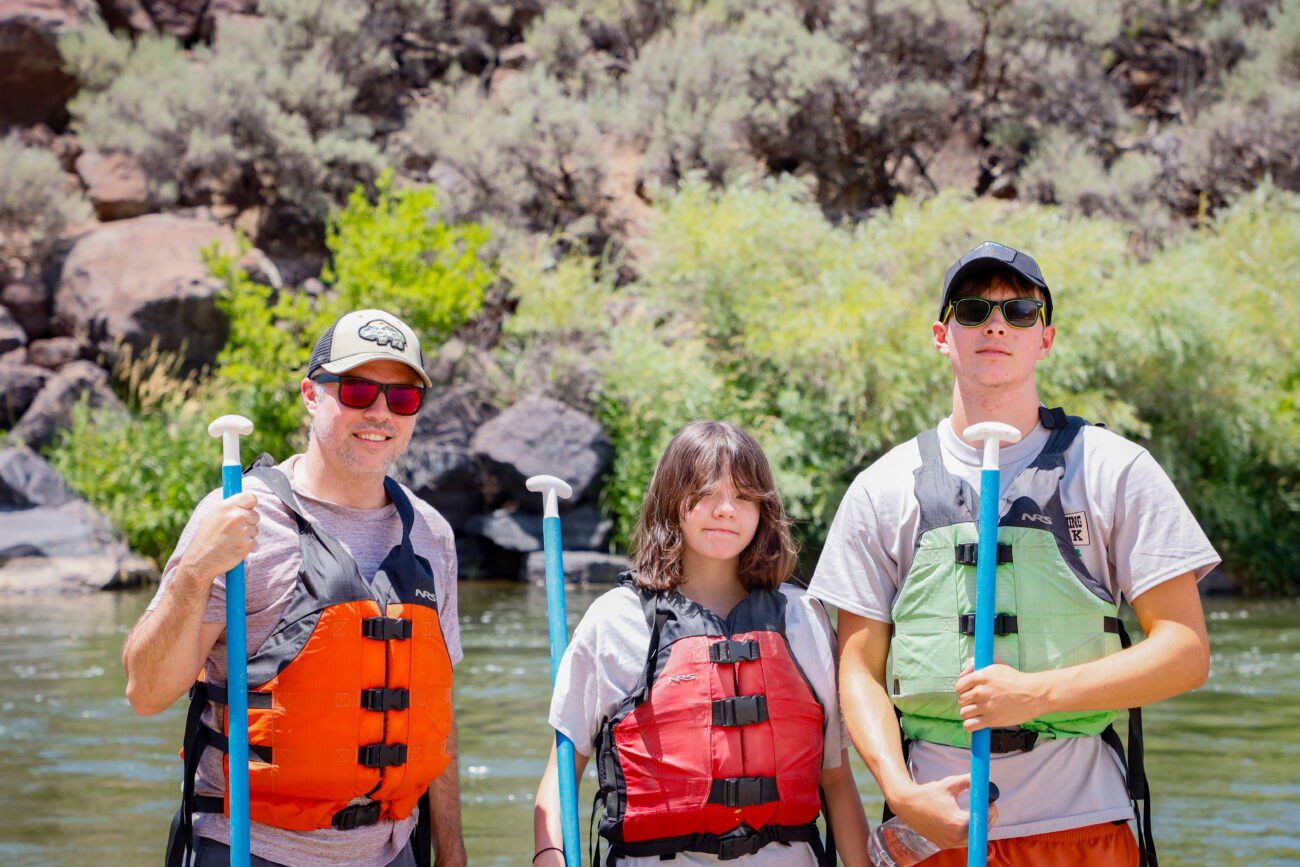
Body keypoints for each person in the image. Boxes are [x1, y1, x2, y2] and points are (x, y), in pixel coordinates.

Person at [809, 241, 1217, 866]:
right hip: (935, 831)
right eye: (973, 311)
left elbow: (1185, 654)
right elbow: (858, 669)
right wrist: (900, 792)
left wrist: (1038, 695)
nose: (996, 324)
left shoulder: (1115, 471)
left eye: (1019, 311)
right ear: (943, 336)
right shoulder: (882, 489)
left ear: (1045, 339)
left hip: (1084, 828)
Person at [123, 309, 468, 867]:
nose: (380, 412)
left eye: (402, 398)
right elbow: (146, 692)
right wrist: (193, 574)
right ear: (312, 394)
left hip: (395, 850)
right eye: (357, 390)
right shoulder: (239, 518)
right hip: (253, 850)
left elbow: (439, 712)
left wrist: (452, 852)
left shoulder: (432, 535)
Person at [533, 421, 871, 867]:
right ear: (672, 502)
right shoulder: (615, 621)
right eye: (707, 493)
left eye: (745, 496)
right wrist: (548, 857)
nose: (727, 509)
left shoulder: (802, 619)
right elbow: (561, 775)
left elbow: (836, 780)